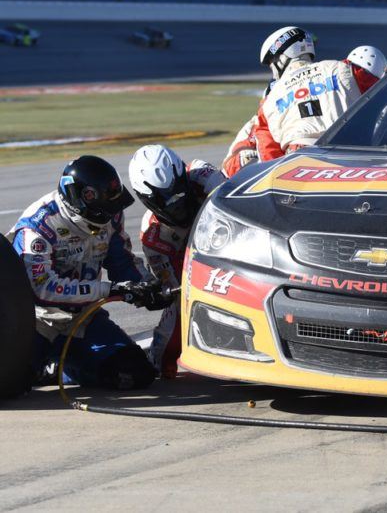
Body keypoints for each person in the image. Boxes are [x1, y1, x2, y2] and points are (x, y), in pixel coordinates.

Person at [7, 156, 164, 390]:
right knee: (13, 384)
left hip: (83, 317)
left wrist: (149, 287)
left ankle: (59, 369)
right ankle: (41, 366)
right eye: (105, 207)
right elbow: (41, 288)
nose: (111, 214)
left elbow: (122, 263)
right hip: (36, 321)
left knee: (136, 373)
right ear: (81, 199)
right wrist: (110, 290)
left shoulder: (111, 217)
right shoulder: (37, 227)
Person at [128, 145, 225, 378]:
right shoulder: (152, 235)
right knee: (167, 345)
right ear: (147, 200)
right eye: (167, 202)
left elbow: (237, 205)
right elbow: (175, 289)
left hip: (229, 246)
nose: (177, 206)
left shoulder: (202, 175)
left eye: (180, 195)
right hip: (195, 275)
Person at [251, 27, 387, 161]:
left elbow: (267, 151)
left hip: (298, 155)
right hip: (348, 150)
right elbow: (385, 92)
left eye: (272, 65)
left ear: (281, 59)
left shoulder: (269, 99)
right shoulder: (343, 68)